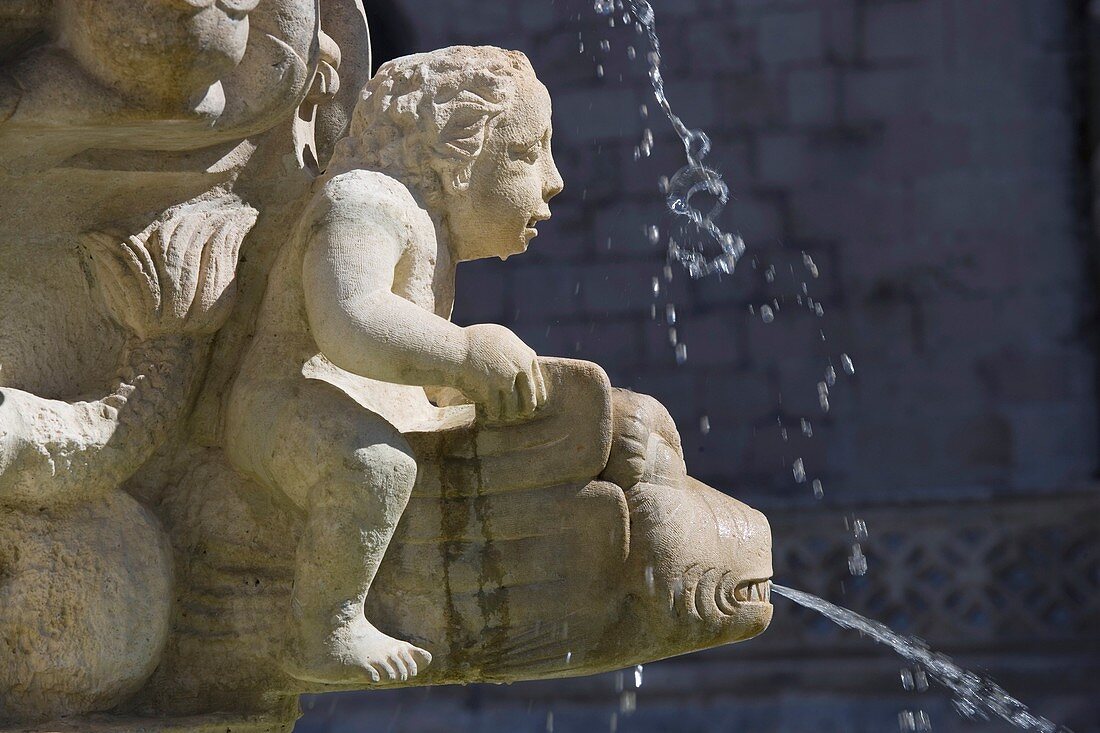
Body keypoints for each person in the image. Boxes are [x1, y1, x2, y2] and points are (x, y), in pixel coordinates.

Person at [225, 46, 563, 685]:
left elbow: (429, 379)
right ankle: (323, 628)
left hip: (354, 405)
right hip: (280, 403)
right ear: (456, 147)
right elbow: (348, 320)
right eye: (528, 152)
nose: (553, 178)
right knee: (375, 466)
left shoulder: (432, 236)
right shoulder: (367, 200)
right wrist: (464, 354)